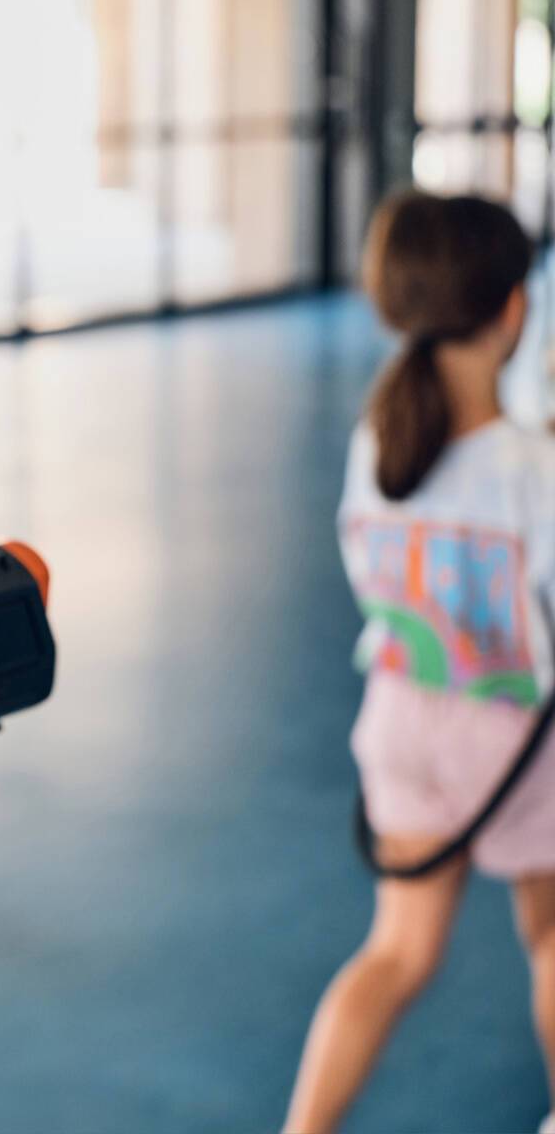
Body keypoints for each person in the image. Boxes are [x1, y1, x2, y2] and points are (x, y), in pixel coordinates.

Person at [284, 190, 555, 1133]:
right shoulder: (535, 470)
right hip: (518, 740)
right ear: (513, 311)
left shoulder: (378, 443)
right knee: (552, 936)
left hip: (401, 721)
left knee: (397, 952)